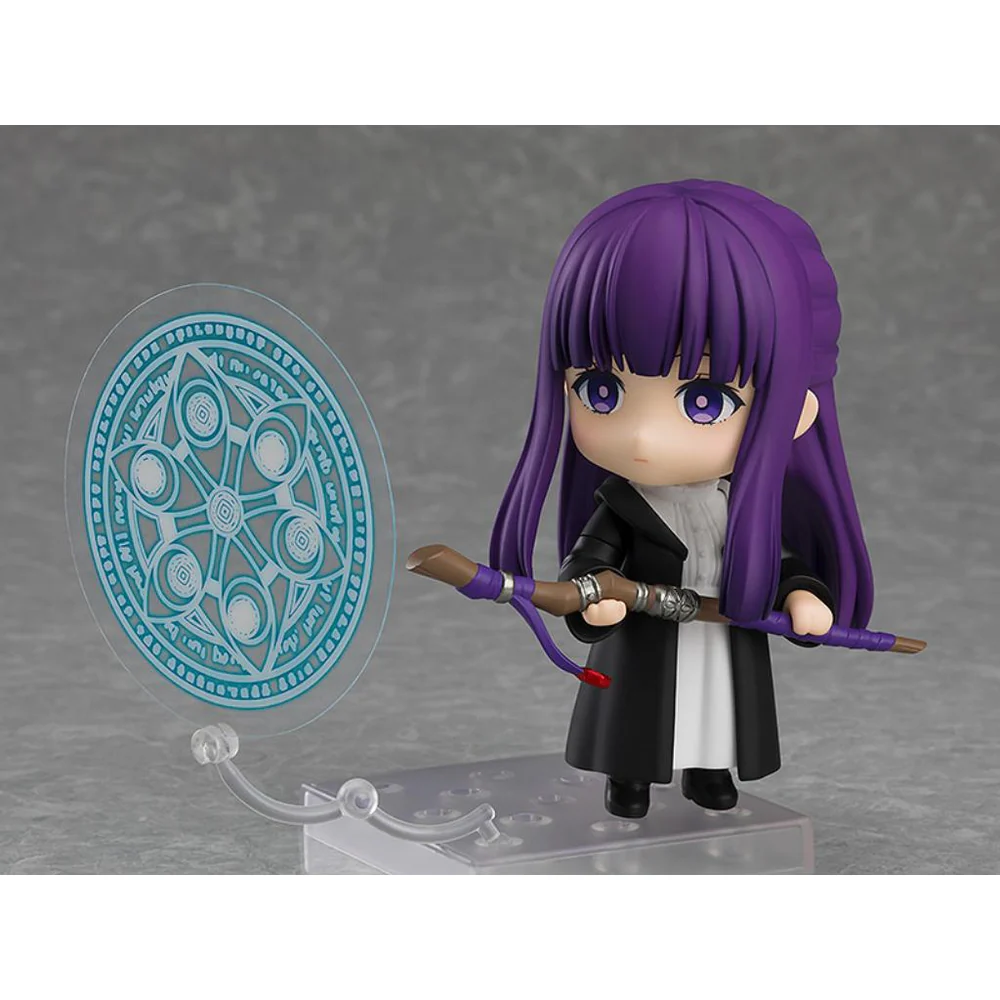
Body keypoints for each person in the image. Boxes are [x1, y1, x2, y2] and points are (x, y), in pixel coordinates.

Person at [489, 181, 874, 817]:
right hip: (643, 644)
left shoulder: (738, 508)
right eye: (601, 389)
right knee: (637, 719)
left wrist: (802, 594)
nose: (643, 437)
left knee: (716, 708)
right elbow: (588, 561)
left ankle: (710, 772)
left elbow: (778, 560)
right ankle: (629, 779)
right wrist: (594, 601)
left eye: (704, 400)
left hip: (722, 636)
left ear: (796, 412)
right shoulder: (621, 506)